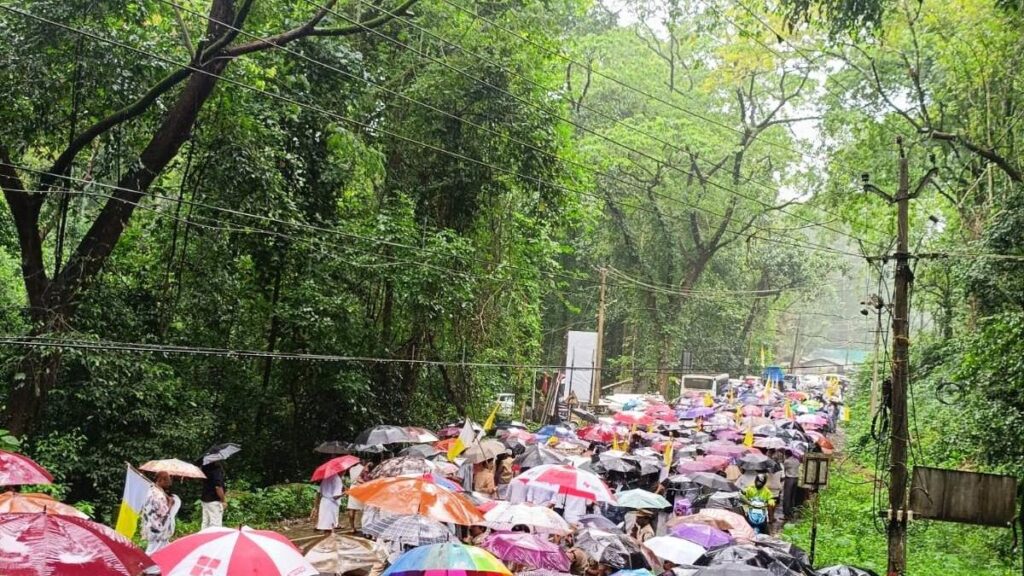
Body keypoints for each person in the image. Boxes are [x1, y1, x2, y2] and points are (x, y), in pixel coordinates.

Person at [141, 472, 179, 555]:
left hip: (153, 525)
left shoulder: (152, 490)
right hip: (157, 528)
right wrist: (170, 503)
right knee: (153, 551)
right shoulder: (157, 495)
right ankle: (145, 565)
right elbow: (162, 513)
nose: (169, 484)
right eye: (167, 482)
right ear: (160, 480)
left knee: (162, 549)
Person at [200, 461, 227, 529]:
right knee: (215, 524)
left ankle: (204, 538)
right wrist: (223, 500)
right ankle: (215, 538)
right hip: (214, 500)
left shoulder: (204, 468)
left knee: (205, 523)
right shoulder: (216, 470)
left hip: (205, 499)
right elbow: (218, 487)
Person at [782, 450, 801, 520]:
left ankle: (786, 514)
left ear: (786, 454)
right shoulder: (797, 460)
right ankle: (791, 512)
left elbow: (784, 469)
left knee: (787, 497)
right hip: (796, 479)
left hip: (789, 479)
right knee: (793, 497)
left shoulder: (787, 461)